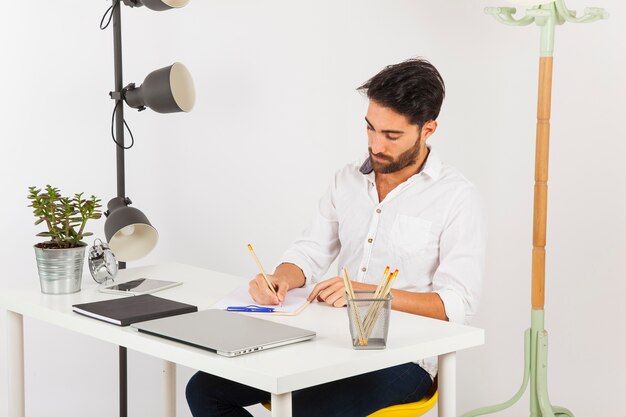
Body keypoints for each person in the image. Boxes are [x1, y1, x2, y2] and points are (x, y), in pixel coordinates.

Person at [186, 58, 486, 417]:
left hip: (404, 357)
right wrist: (280, 277)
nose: (376, 145)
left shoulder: (456, 197)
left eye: (392, 136)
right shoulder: (346, 180)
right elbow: (310, 251)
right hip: (329, 341)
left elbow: (457, 306)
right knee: (206, 389)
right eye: (370, 129)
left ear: (428, 129)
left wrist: (373, 294)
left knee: (302, 409)